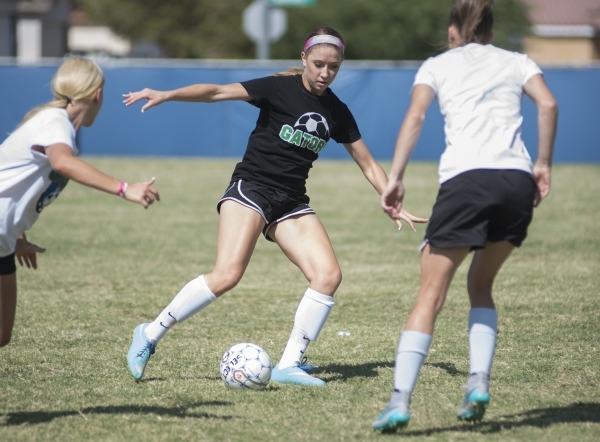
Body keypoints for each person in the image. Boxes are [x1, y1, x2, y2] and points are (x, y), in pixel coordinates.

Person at [124, 26, 427, 386]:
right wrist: (168, 94)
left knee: (328, 276)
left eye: (333, 67)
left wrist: (390, 195)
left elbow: (367, 163)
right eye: (318, 64)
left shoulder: (336, 110)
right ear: (303, 59)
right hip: (251, 188)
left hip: (291, 201)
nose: (324, 73)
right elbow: (217, 91)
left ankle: (288, 365)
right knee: (227, 275)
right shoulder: (278, 87)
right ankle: (150, 333)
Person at [372, 0, 558, 432]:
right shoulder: (517, 60)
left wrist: (394, 177)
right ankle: (477, 382)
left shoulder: (436, 66)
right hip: (515, 183)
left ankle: (399, 402)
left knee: (430, 295)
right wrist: (543, 164)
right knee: (481, 284)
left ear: (452, 31)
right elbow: (547, 106)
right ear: (490, 33)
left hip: (466, 182)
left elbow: (416, 116)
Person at [0, 56, 160, 348]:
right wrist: (124, 188)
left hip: (4, 239)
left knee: (2, 334)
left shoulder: (55, 124)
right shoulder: (54, 121)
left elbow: (14, 182)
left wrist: (17, 235)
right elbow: (63, 163)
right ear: (98, 94)